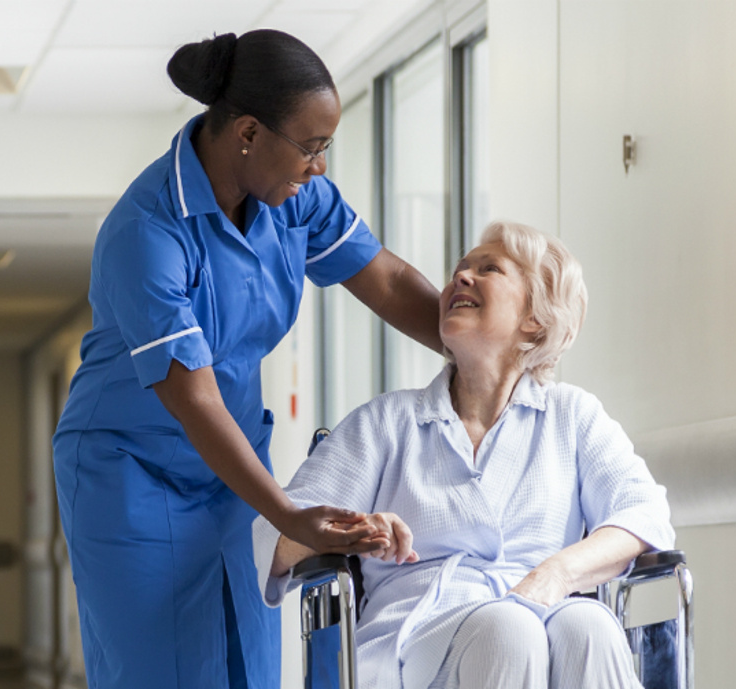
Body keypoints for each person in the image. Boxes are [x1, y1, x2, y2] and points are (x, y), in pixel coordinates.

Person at [52, 30, 446, 689]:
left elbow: (385, 279)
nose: (318, 167)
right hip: (131, 474)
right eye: (311, 147)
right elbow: (192, 396)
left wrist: (469, 342)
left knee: (248, 665)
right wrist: (288, 514)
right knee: (162, 671)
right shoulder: (147, 229)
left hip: (232, 473)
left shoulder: (292, 201)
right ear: (247, 134)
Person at [255, 221, 675, 689]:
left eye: (488, 269)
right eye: (460, 269)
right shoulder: (386, 422)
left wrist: (556, 573)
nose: (461, 278)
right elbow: (271, 538)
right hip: (417, 635)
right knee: (509, 630)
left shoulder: (572, 416)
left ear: (533, 317)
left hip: (546, 610)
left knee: (589, 625)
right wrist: (351, 530)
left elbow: (644, 513)